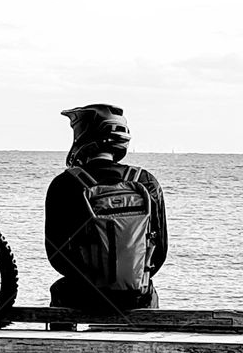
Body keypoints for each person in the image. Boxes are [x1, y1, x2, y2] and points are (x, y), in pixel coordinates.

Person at [44, 104, 168, 316]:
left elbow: (56, 255)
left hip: (85, 295)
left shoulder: (65, 183)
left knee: (60, 289)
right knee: (150, 289)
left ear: (82, 135)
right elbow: (160, 250)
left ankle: (63, 344)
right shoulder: (146, 181)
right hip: (138, 296)